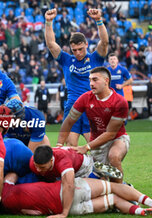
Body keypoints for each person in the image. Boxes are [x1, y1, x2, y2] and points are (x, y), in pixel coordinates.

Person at [44, 8, 108, 146]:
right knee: (71, 147)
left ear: (86, 44)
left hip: (91, 106)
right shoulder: (67, 60)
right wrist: (48, 22)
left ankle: (96, 167)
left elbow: (104, 42)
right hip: (72, 106)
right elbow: (51, 44)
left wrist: (98, 20)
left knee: (96, 146)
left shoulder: (95, 58)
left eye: (81, 49)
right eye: (75, 50)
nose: (78, 53)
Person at [57, 67, 129, 183]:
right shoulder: (85, 98)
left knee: (113, 157)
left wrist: (86, 147)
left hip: (117, 139)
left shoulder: (120, 102)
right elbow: (69, 121)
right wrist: (59, 144)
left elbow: (110, 134)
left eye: (95, 80)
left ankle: (121, 193)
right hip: (96, 143)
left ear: (106, 81)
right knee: (102, 179)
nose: (91, 83)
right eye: (90, 80)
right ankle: (123, 187)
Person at [1, 172, 152, 218]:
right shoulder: (6, 190)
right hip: (69, 190)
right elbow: (12, 175)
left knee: (112, 200)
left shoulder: (15, 209)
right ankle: (151, 203)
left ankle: (141, 212)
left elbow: (35, 213)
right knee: (111, 186)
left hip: (71, 209)